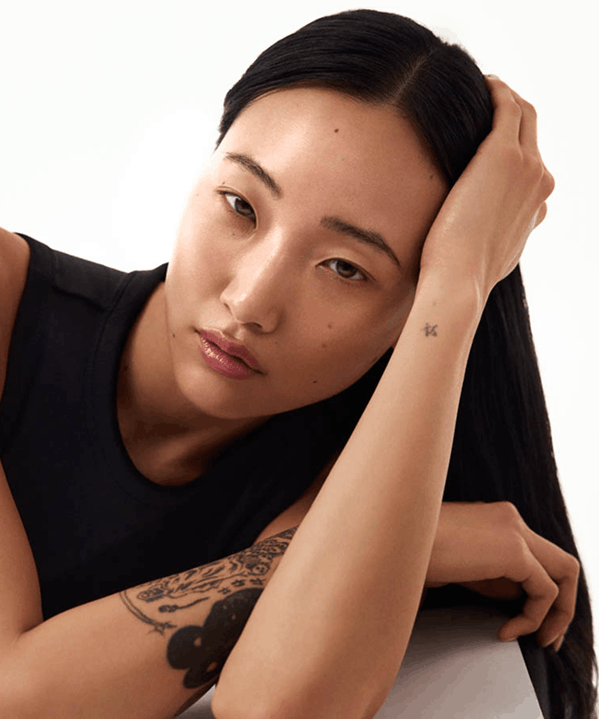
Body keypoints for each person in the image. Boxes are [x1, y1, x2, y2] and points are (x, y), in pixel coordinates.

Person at [0, 8, 595, 719]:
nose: (250, 301)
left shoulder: (352, 474)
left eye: (345, 267)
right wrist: (406, 545)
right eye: (240, 205)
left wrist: (460, 286)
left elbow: (276, 708)